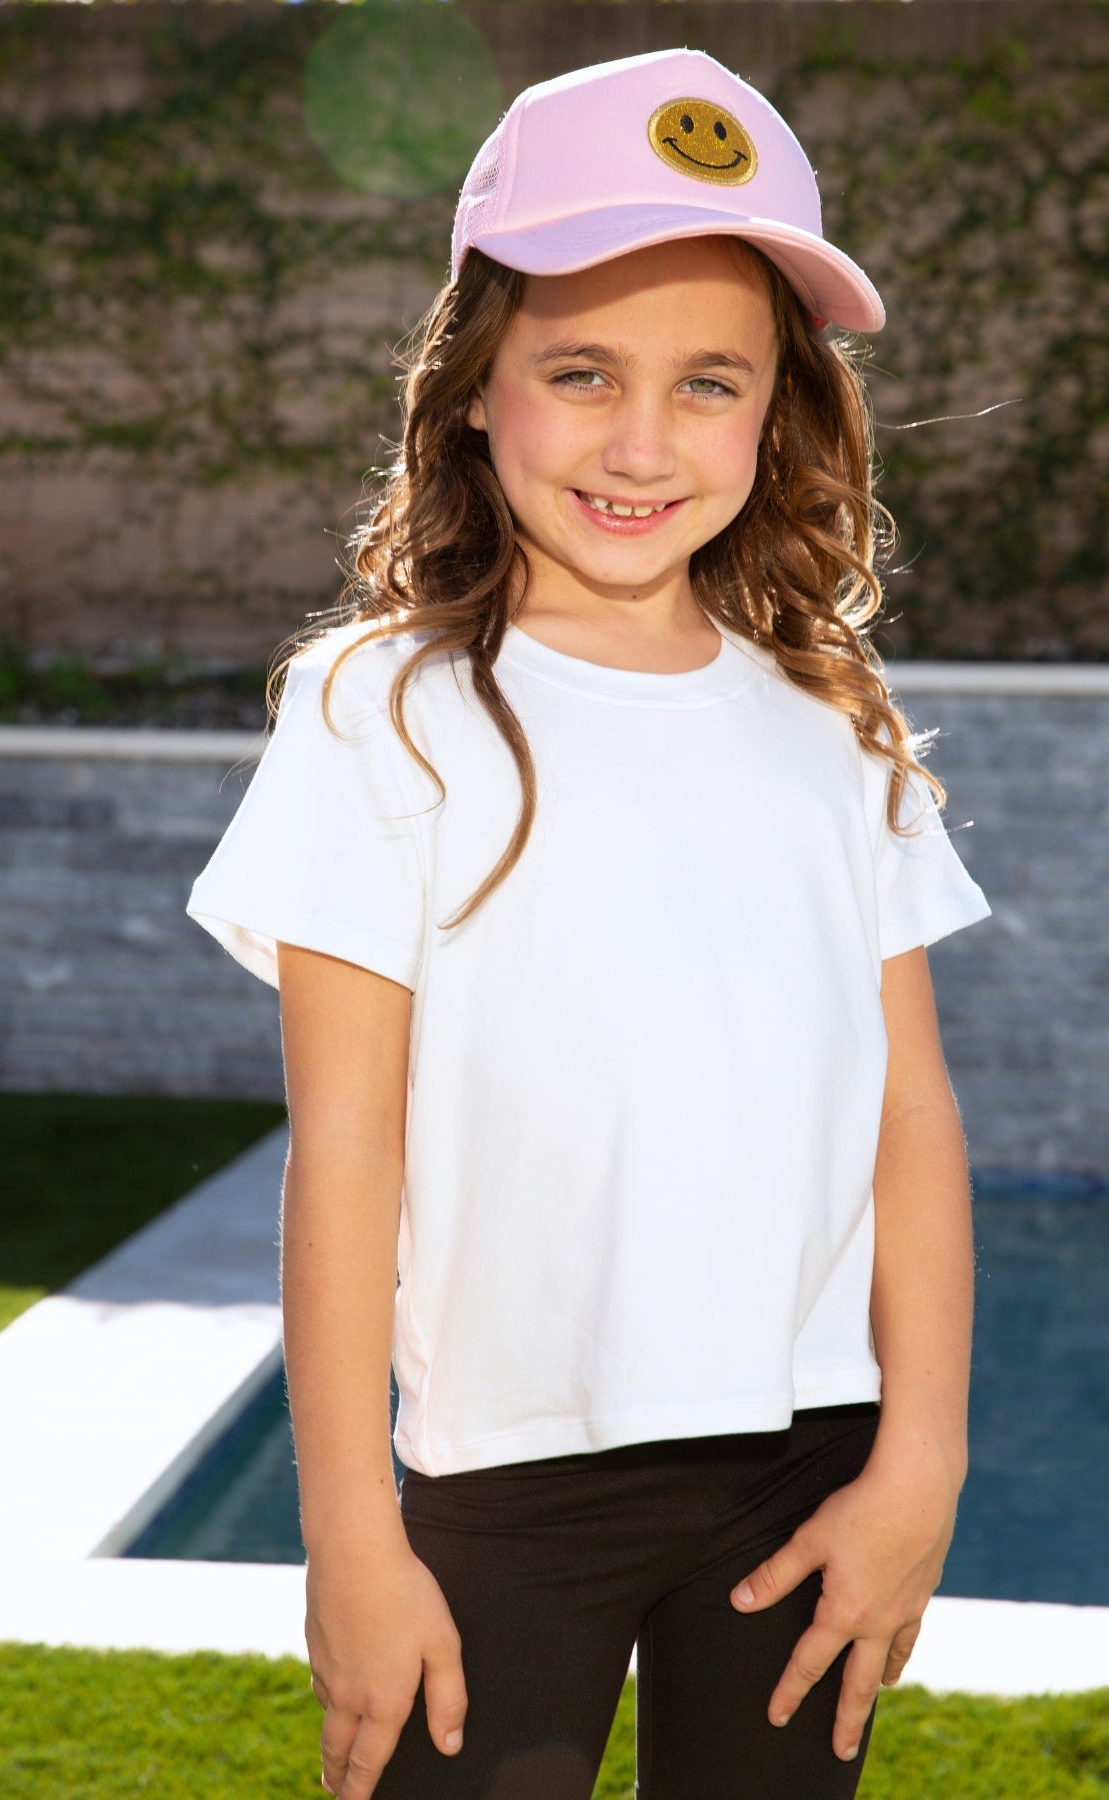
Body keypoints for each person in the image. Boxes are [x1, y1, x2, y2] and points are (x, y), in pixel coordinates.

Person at [186, 46, 992, 1800]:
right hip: (503, 1485)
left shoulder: (834, 726)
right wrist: (351, 1538)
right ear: (476, 387)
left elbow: (912, 1116)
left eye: (709, 383)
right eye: (581, 373)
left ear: (778, 412)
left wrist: (921, 1462)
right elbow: (346, 1146)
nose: (643, 443)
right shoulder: (381, 711)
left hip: (810, 1472)